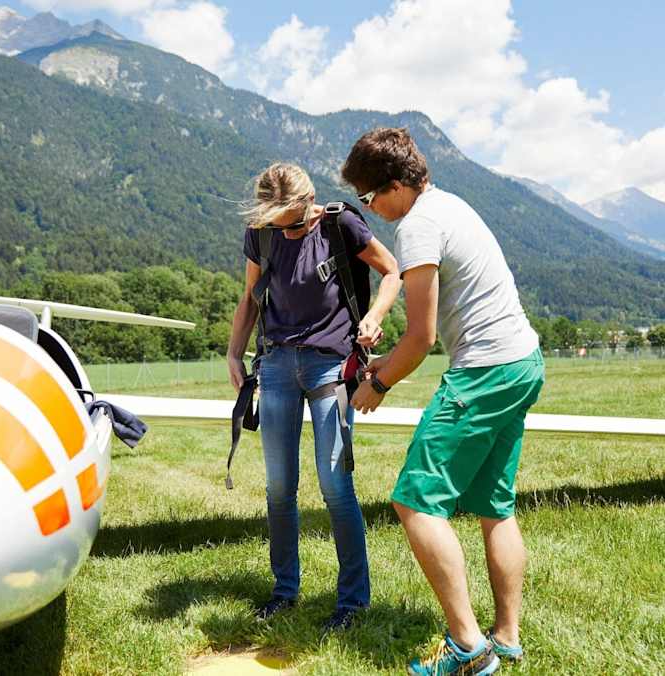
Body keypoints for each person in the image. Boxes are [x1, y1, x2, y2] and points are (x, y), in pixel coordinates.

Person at [342, 128, 544, 674]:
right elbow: (421, 340)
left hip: (484, 373)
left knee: (414, 501)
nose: (372, 210)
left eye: (369, 198)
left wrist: (377, 385)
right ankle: (505, 637)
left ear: (393, 187)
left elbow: (422, 337)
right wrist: (383, 364)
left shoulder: (419, 226)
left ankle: (467, 649)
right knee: (493, 506)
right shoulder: (450, 205)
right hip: (522, 362)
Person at [226, 162, 401, 631]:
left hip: (330, 366)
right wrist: (234, 354)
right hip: (278, 364)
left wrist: (375, 315)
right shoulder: (261, 234)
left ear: (308, 201)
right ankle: (284, 592)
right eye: (274, 219)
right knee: (279, 488)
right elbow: (250, 298)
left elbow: (392, 271)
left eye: (292, 219)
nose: (283, 228)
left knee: (334, 485)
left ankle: (353, 603)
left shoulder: (340, 223)